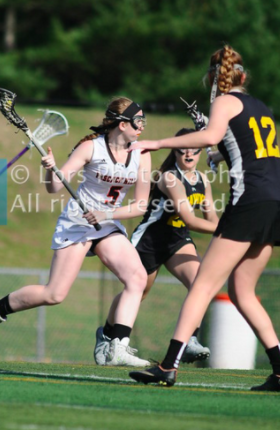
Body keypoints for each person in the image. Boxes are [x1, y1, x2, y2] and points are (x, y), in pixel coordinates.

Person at [128, 45, 280, 392]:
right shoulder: (261, 107)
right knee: (242, 291)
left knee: (203, 284)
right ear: (244, 77)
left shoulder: (223, 102)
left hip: (250, 200)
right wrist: (220, 156)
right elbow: (248, 147)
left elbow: (209, 135)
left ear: (212, 79)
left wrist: (157, 142)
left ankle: (168, 366)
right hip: (277, 201)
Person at [0, 96, 153, 367]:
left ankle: (116, 345)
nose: (142, 125)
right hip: (78, 223)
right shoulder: (90, 148)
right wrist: (50, 170)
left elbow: (140, 205)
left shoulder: (142, 154)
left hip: (107, 223)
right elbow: (54, 188)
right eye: (137, 120)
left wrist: (106, 214)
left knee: (137, 279)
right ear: (121, 123)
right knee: (54, 294)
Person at [94, 128, 219, 366]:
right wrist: (229, 228)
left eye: (195, 150)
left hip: (178, 240)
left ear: (201, 151)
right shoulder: (169, 178)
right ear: (175, 151)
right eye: (184, 150)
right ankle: (106, 335)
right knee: (138, 292)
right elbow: (191, 219)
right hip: (150, 241)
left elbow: (212, 219)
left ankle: (190, 340)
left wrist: (228, 226)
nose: (189, 155)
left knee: (201, 283)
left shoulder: (203, 180)